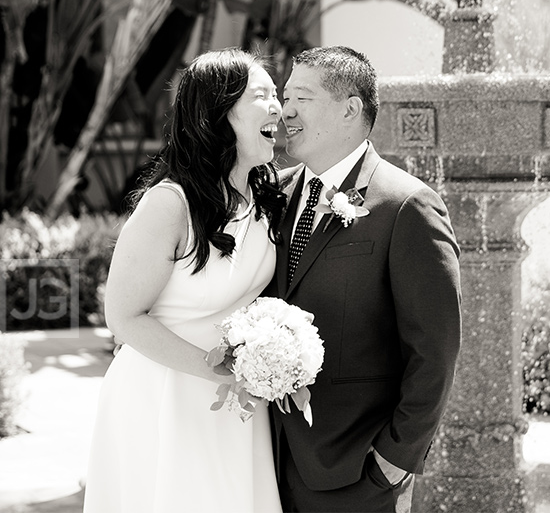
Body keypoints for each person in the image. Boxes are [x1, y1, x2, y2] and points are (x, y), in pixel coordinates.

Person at [83, 49, 286, 513]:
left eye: (277, 95)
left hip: (237, 403)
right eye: (262, 96)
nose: (278, 107)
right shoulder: (169, 205)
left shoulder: (264, 196)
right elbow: (123, 317)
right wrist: (230, 372)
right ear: (220, 112)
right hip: (164, 395)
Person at [270, 46, 461, 513]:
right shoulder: (273, 194)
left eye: (302, 98)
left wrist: (394, 461)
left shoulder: (408, 206)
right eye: (283, 96)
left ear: (350, 108)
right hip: (266, 460)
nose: (284, 110)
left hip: (358, 472)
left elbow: (435, 350)